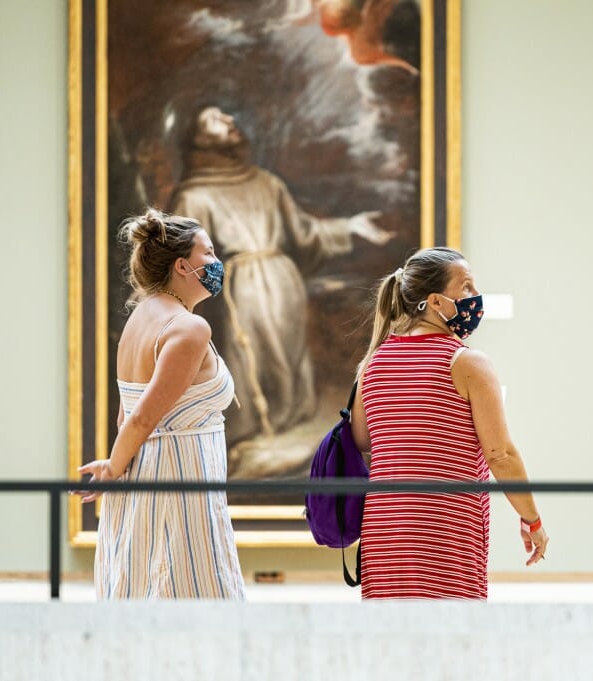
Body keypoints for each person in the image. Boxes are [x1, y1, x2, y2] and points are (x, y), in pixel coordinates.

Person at [169, 105, 391, 476]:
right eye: (215, 119)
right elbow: (182, 256)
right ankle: (256, 431)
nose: (229, 119)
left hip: (284, 282)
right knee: (254, 358)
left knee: (288, 355)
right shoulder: (194, 195)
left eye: (228, 115)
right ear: (199, 139)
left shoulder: (265, 182)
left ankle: (288, 427)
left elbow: (304, 233)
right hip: (243, 288)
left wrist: (351, 227)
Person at [350, 247, 549, 599]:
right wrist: (531, 519)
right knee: (453, 640)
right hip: (444, 526)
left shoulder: (374, 363)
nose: (475, 296)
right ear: (436, 302)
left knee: (390, 642)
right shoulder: (467, 363)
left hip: (384, 530)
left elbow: (364, 442)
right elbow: (500, 454)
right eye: (467, 286)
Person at [76, 208, 245, 600]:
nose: (218, 262)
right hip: (180, 483)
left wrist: (117, 467)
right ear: (183, 266)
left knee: (142, 589)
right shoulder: (188, 327)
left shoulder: (141, 317)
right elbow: (140, 418)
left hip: (145, 479)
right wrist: (113, 466)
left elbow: (126, 415)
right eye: (210, 253)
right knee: (193, 596)